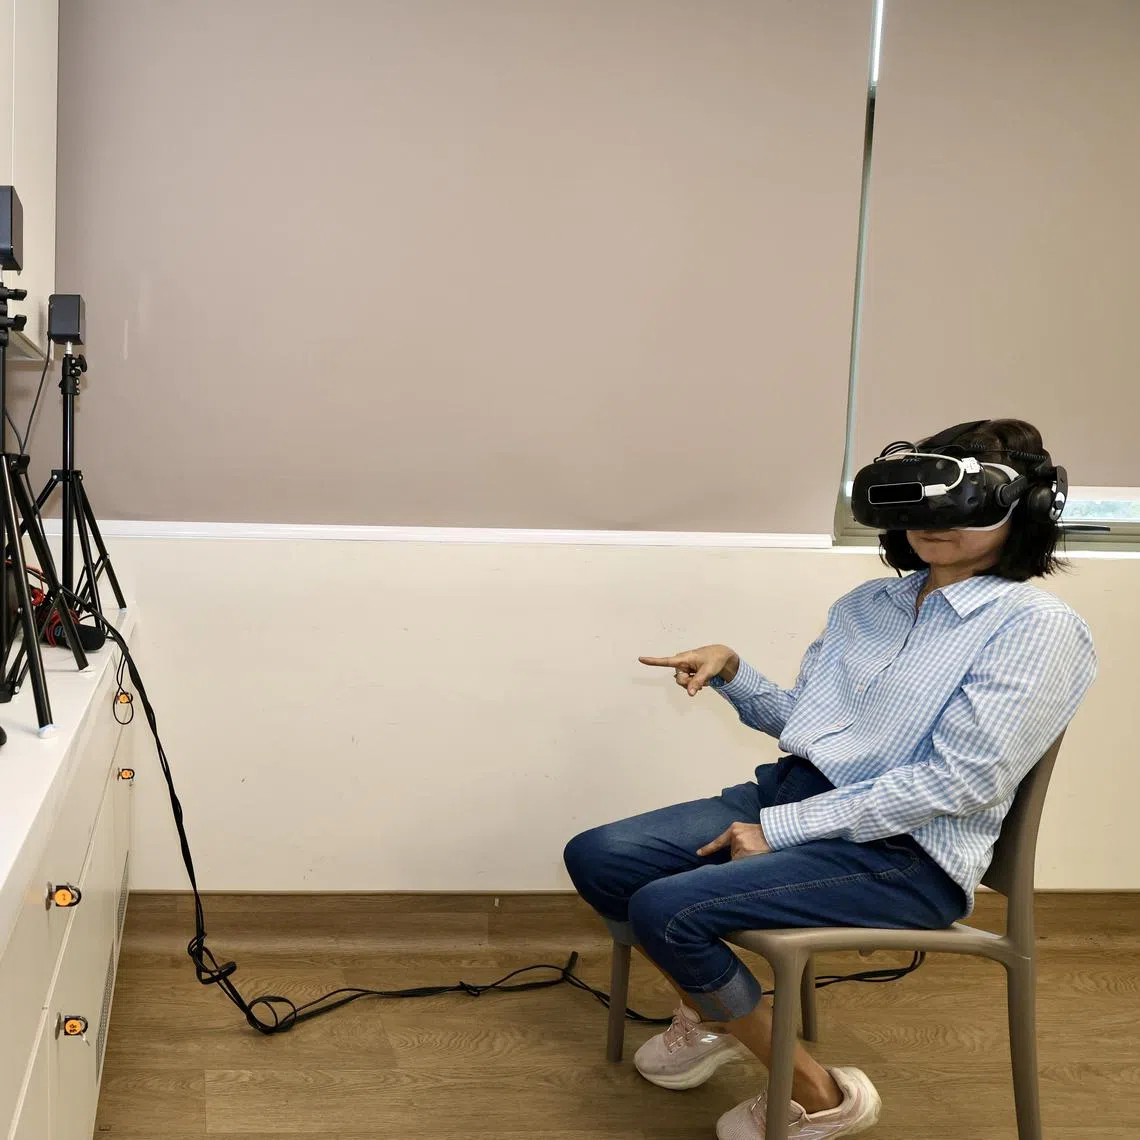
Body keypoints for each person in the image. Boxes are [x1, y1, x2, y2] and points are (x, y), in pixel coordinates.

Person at [563, 420, 1096, 1139]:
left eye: (964, 505)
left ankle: (820, 1094)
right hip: (794, 798)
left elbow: (962, 782)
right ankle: (719, 1009)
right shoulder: (866, 607)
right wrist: (735, 672)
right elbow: (814, 728)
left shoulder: (1036, 627)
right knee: (599, 855)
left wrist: (778, 832)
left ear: (1025, 511)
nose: (933, 526)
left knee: (669, 911)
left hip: (902, 855)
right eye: (922, 506)